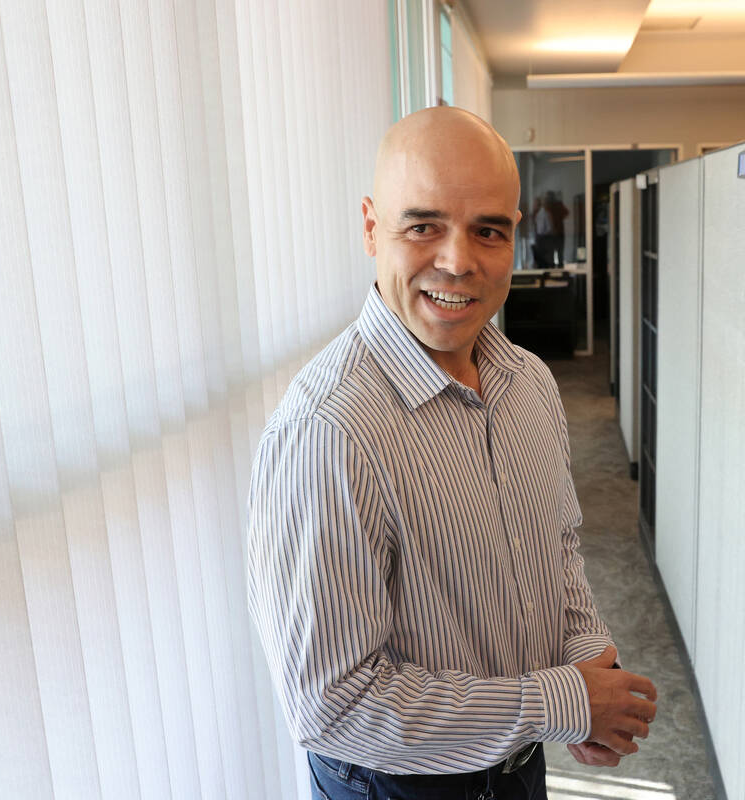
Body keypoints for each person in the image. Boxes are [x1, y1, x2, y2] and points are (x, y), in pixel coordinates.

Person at [247, 106, 657, 800]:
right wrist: (563, 701)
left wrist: (591, 663)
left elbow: (555, 550)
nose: (458, 260)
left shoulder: (528, 382)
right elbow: (332, 705)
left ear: (515, 239)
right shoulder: (328, 433)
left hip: (517, 763)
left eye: (487, 230)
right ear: (372, 227)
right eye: (423, 225)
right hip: (397, 787)